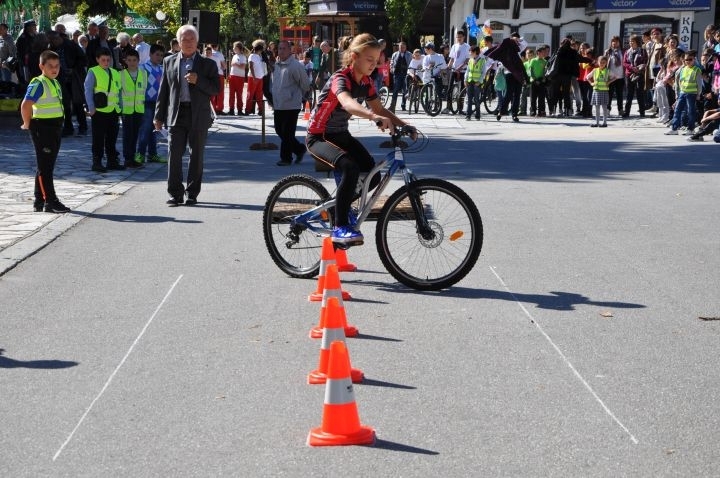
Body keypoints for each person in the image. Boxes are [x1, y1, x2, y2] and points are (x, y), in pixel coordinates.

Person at [306, 34, 415, 247]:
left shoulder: (366, 82)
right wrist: (373, 117)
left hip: (340, 135)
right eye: (369, 59)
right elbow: (347, 103)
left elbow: (380, 108)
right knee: (350, 167)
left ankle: (340, 208)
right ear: (354, 57)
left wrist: (404, 125)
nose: (374, 65)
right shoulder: (341, 78)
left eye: (377, 60)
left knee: (372, 176)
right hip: (319, 136)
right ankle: (340, 225)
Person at [154, 25, 219, 206]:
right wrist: (158, 116)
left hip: (198, 114)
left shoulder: (208, 64)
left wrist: (199, 81)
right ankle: (175, 193)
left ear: (197, 42)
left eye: (191, 39)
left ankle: (192, 193)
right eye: (184, 39)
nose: (188, 42)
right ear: (178, 42)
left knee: (196, 155)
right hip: (176, 113)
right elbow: (164, 90)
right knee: (174, 154)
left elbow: (215, 89)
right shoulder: (169, 61)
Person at [20, 49, 71, 213]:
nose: (54, 69)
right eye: (50, 66)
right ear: (41, 66)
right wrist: (27, 123)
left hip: (54, 128)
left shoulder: (54, 82)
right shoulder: (38, 83)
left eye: (57, 66)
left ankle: (39, 200)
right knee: (45, 167)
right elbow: (26, 104)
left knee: (46, 165)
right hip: (42, 128)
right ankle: (51, 201)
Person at [271, 40, 310, 166]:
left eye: (283, 48)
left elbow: (304, 83)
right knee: (279, 130)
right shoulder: (277, 64)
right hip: (279, 104)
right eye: (279, 48)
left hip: (291, 104)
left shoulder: (295, 65)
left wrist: (302, 96)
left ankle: (286, 158)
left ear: (290, 50)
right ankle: (299, 149)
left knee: (287, 132)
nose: (281, 51)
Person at [84, 47, 123, 172]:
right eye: (103, 60)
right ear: (97, 60)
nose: (106, 62)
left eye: (108, 60)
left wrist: (120, 107)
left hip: (113, 110)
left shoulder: (115, 72)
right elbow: (88, 90)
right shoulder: (93, 71)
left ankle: (112, 161)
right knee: (98, 138)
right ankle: (97, 162)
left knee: (112, 137)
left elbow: (119, 92)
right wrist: (91, 108)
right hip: (99, 110)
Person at [136, 43, 165, 164]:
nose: (159, 57)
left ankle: (152, 154)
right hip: (146, 102)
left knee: (154, 129)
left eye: (161, 55)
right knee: (145, 128)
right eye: (157, 54)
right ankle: (140, 153)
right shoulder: (142, 68)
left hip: (157, 103)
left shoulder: (162, 69)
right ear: (150, 54)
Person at [118, 49, 146, 169]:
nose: (132, 62)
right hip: (126, 109)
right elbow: (118, 92)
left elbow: (143, 90)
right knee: (127, 134)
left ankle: (132, 157)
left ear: (138, 61)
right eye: (129, 60)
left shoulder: (143, 73)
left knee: (135, 134)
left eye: (134, 60)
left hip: (139, 108)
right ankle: (127, 158)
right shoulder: (121, 74)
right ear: (125, 61)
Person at [665, 51, 703, 136]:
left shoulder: (697, 70)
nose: (688, 61)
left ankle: (691, 129)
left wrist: (698, 94)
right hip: (682, 93)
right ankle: (674, 128)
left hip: (692, 93)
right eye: (686, 60)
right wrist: (677, 93)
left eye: (690, 59)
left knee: (690, 111)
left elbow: (699, 84)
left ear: (694, 60)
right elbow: (680, 81)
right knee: (677, 110)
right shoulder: (683, 69)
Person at [443, 30, 470, 114]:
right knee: (449, 89)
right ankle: (448, 107)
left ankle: (460, 109)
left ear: (463, 37)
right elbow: (452, 58)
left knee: (462, 90)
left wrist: (460, 67)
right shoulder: (454, 46)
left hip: (463, 70)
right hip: (454, 70)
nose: (458, 38)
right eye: (457, 37)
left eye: (460, 37)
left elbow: (467, 59)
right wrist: (448, 66)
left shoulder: (467, 47)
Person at [622, 35, 648, 118]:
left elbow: (645, 61)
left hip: (639, 74)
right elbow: (624, 63)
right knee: (629, 94)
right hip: (629, 74)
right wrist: (631, 67)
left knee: (640, 93)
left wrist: (639, 68)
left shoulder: (642, 51)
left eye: (632, 41)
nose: (631, 43)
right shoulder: (627, 52)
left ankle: (642, 112)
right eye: (630, 41)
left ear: (637, 42)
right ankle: (626, 112)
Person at [587, 55, 614, 127]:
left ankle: (604, 123)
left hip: (604, 91)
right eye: (600, 62)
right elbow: (587, 77)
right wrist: (591, 83)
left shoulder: (608, 71)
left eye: (604, 62)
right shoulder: (595, 70)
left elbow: (615, 77)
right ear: (598, 62)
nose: (602, 64)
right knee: (597, 108)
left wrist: (609, 82)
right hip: (596, 91)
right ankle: (597, 122)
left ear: (606, 63)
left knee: (604, 108)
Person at [604, 36, 625, 116]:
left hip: (620, 76)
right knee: (609, 94)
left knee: (620, 94)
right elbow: (604, 63)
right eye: (613, 41)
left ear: (619, 42)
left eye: (616, 41)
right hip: (610, 77)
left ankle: (620, 109)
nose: (614, 43)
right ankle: (608, 109)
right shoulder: (608, 52)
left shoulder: (623, 51)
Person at [388, 41, 411, 112]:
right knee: (395, 90)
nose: (402, 48)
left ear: (405, 47)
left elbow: (411, 62)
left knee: (405, 90)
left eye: (403, 47)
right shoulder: (395, 54)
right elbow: (392, 62)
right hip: (397, 74)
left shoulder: (409, 54)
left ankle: (403, 105)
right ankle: (392, 105)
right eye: (400, 47)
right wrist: (391, 68)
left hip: (406, 74)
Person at [463, 46, 485, 120]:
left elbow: (483, 72)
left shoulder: (482, 60)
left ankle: (477, 115)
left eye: (471, 52)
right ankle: (468, 115)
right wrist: (465, 80)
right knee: (469, 99)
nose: (470, 53)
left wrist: (480, 81)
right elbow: (467, 71)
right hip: (469, 82)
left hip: (477, 83)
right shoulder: (470, 60)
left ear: (475, 52)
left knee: (476, 100)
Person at [15, 19, 37, 88]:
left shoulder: (34, 36)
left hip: (34, 62)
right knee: (28, 81)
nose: (35, 27)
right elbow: (22, 52)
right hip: (26, 64)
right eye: (33, 26)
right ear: (28, 27)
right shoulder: (23, 38)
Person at [528, 45, 549, 117]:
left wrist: (543, 78)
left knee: (541, 97)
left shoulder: (545, 61)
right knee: (533, 97)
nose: (544, 54)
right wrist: (534, 79)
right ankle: (533, 111)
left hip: (541, 81)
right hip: (533, 81)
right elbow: (531, 70)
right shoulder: (533, 60)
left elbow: (545, 71)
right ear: (538, 52)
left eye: (545, 52)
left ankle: (541, 111)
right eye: (543, 52)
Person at [246, 42, 266, 115]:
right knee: (250, 94)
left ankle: (260, 110)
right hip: (253, 77)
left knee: (259, 94)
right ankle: (247, 110)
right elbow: (251, 67)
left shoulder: (259, 56)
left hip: (260, 77)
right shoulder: (252, 56)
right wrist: (254, 77)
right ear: (259, 50)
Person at [228, 41, 247, 116]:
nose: (233, 49)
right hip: (232, 76)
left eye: (234, 47)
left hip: (239, 77)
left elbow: (243, 67)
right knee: (231, 94)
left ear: (239, 48)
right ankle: (231, 109)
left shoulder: (243, 57)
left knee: (239, 94)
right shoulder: (234, 56)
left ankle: (239, 110)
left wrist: (236, 64)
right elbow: (232, 65)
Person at [209, 44, 226, 114]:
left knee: (211, 92)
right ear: (217, 46)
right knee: (220, 92)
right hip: (219, 74)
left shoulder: (207, 53)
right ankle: (219, 108)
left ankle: (212, 109)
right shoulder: (219, 54)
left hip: (210, 74)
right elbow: (224, 66)